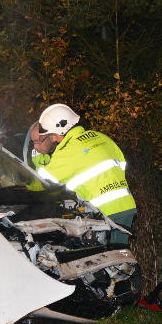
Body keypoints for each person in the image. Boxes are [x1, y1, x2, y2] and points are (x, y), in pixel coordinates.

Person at [34, 104, 136, 244]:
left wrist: (37, 159)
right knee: (118, 254)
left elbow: (41, 182)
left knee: (104, 258)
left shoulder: (67, 150)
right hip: (126, 205)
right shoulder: (101, 137)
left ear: (57, 132)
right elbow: (121, 165)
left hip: (103, 212)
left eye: (50, 135)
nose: (52, 138)